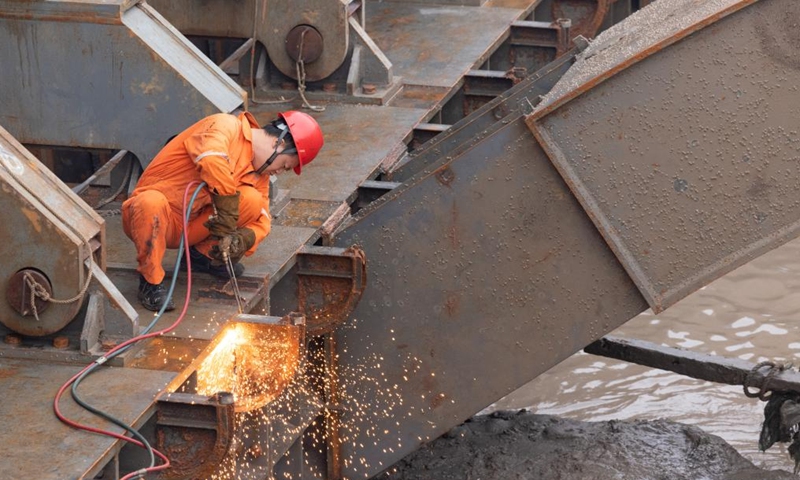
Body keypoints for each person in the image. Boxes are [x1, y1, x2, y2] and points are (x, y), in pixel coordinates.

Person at [121, 110, 323, 311]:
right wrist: (227, 205)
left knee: (251, 200)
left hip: (189, 228)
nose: (279, 171)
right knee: (150, 201)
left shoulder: (257, 173)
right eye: (285, 165)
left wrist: (243, 239)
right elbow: (211, 158)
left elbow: (262, 219)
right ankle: (151, 281)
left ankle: (201, 257)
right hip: (152, 221)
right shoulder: (225, 125)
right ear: (278, 144)